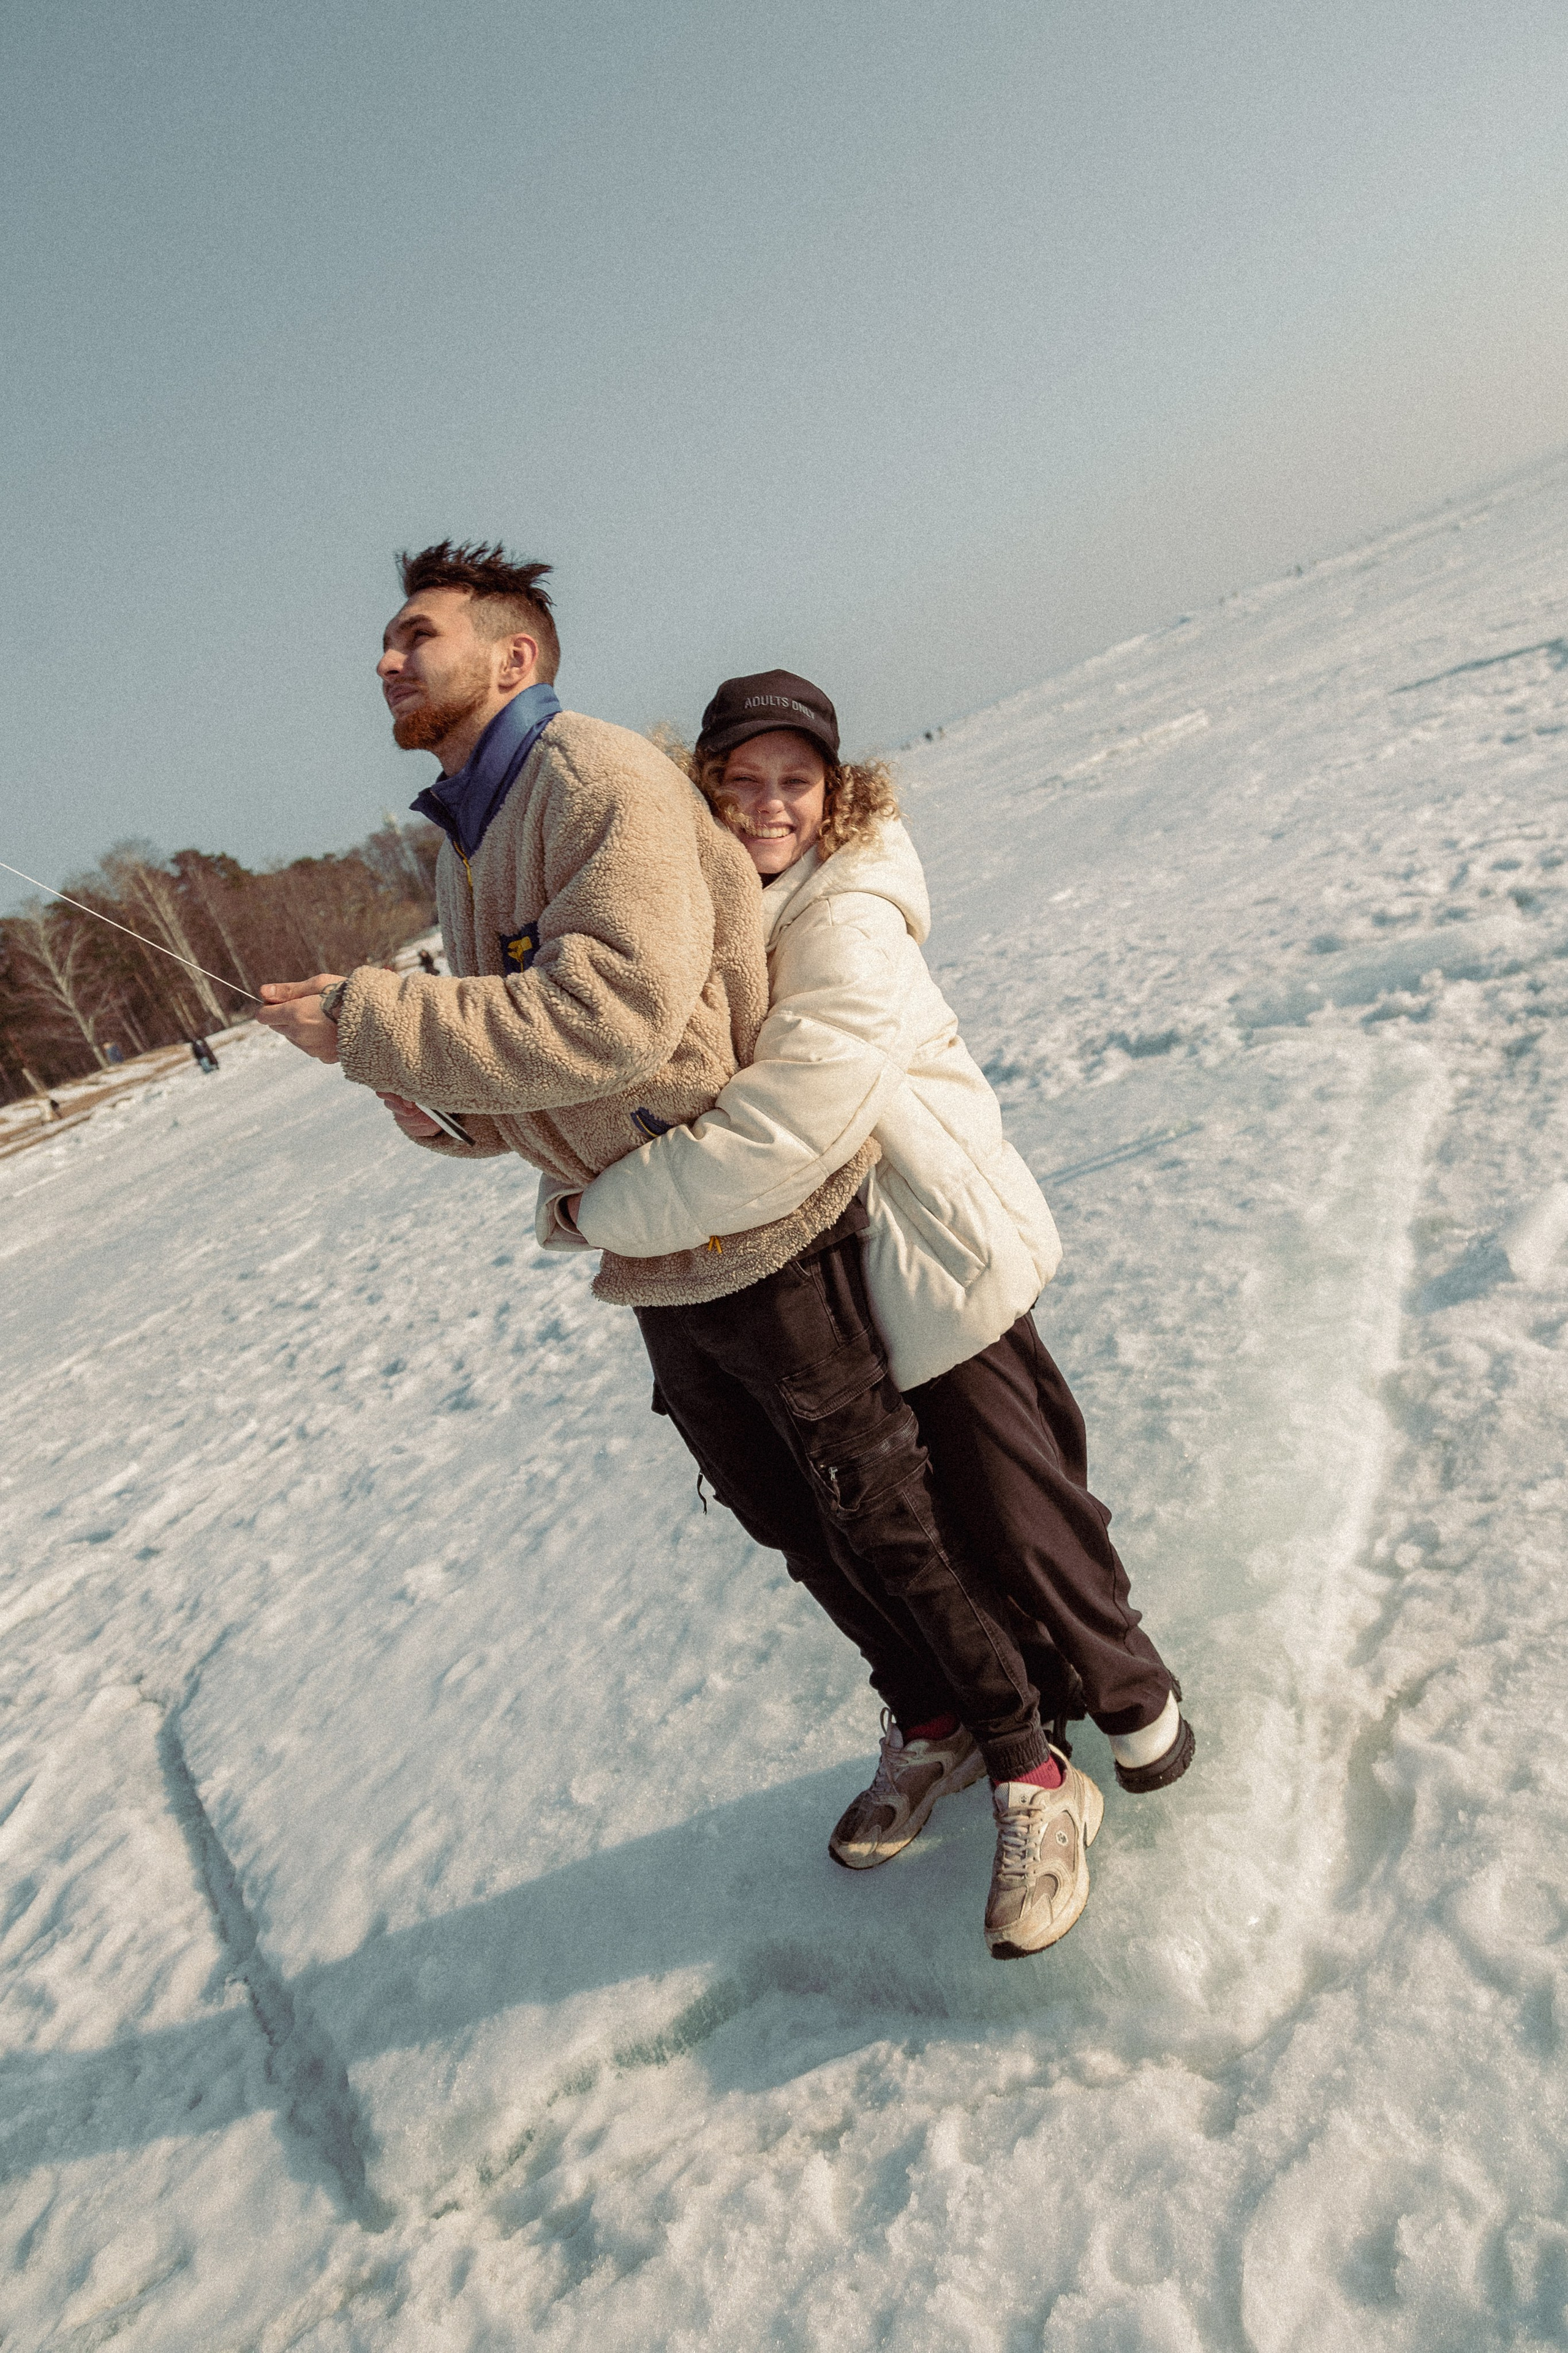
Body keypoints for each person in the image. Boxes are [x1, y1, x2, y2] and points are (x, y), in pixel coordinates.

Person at [257, 547, 1074, 1955]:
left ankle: (1032, 1765)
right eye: (386, 644)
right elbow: (535, 1060)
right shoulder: (466, 832)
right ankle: (932, 1721)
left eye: (416, 637)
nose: (386, 663)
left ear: (514, 659)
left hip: (754, 1227)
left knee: (879, 1510)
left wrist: (377, 1014)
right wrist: (438, 1105)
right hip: (658, 1252)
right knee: (784, 1516)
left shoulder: (594, 782)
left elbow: (618, 1017)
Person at [562, 671, 1194, 1957]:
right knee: (921, 1525)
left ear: (834, 792)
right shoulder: (713, 910)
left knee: (1017, 1510)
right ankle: (995, 1722)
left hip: (926, 1253)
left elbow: (787, 1120)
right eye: (739, 780)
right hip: (838, 1283)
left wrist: (597, 1213)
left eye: (793, 781)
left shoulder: (843, 914)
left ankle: (1136, 1716)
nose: (766, 804)